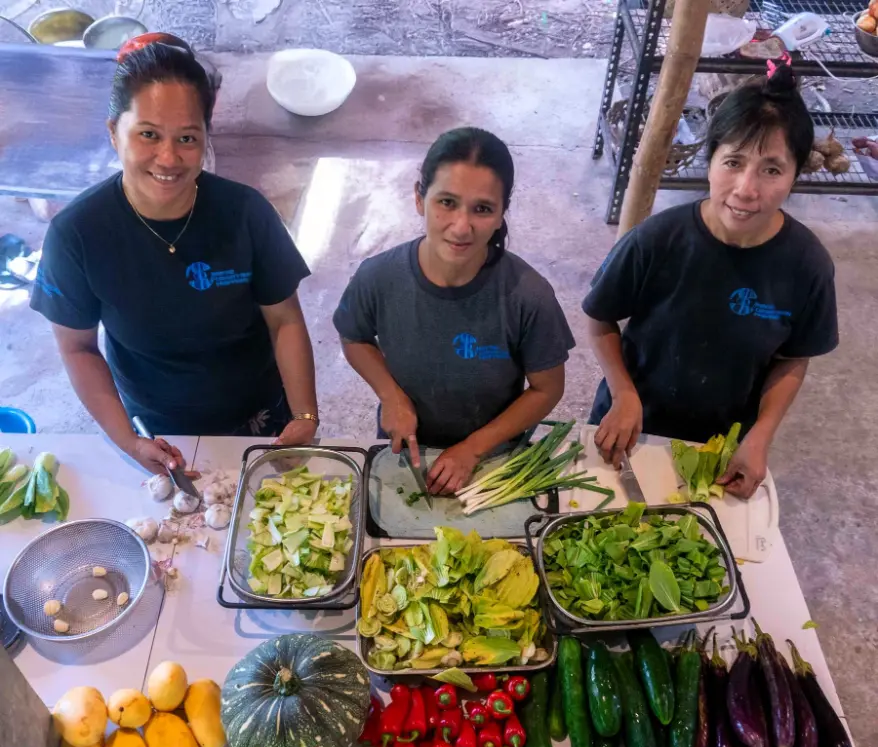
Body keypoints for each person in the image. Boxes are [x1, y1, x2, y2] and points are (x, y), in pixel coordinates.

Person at [31, 40, 318, 476]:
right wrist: (128, 440)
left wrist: (305, 416)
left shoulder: (245, 212)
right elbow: (77, 347)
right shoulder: (76, 234)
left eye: (187, 138)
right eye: (148, 134)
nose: (168, 158)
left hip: (261, 411)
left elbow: (285, 319)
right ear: (114, 132)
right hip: (158, 426)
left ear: (205, 137)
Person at [582, 65, 838, 499]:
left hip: (718, 443)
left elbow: (793, 359)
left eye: (771, 170)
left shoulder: (807, 265)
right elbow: (599, 318)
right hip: (630, 426)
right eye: (733, 162)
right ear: (711, 159)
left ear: (797, 174)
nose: (745, 188)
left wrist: (760, 436)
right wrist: (623, 394)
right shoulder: (657, 239)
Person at [333, 127, 575, 495]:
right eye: (446, 202)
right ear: (419, 198)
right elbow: (354, 336)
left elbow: (547, 388)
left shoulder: (528, 295)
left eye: (482, 209)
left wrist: (473, 449)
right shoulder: (378, 278)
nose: (461, 227)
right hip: (403, 448)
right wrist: (391, 396)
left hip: (491, 459)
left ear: (500, 215)